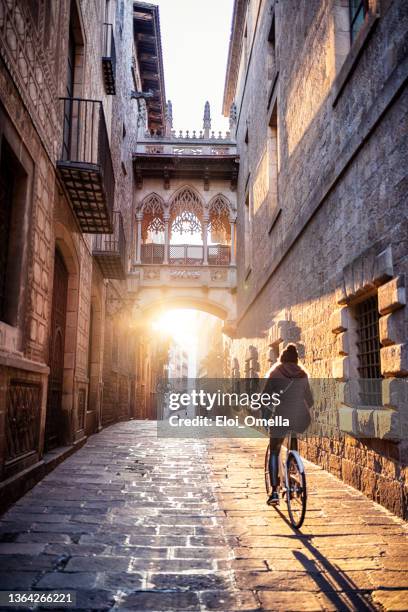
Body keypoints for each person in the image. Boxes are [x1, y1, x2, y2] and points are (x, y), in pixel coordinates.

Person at [263, 344, 313, 506]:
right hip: (301, 418)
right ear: (296, 360)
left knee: (274, 451)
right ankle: (293, 469)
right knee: (293, 434)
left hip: (281, 418)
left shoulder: (276, 373)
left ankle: (275, 492)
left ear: (282, 359)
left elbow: (265, 399)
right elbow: (310, 401)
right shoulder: (303, 374)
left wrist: (266, 417)